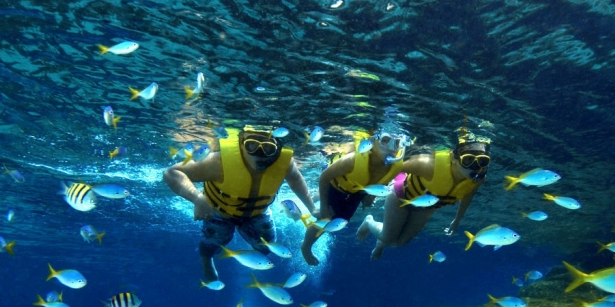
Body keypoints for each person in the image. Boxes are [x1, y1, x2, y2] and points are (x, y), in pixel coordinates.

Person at [163, 125, 317, 281]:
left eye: (268, 148)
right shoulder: (219, 161)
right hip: (219, 212)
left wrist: (312, 207)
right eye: (252, 145)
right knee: (212, 244)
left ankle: (250, 260)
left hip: (258, 213)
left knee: (267, 247)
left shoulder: (285, 164)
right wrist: (197, 198)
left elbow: (296, 179)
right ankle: (207, 260)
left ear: (277, 148)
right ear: (241, 143)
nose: (260, 154)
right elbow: (172, 172)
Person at [357, 128, 490, 260]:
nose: (476, 167)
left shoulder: (477, 180)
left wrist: (457, 220)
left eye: (482, 161)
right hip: (401, 195)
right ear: (455, 159)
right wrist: (372, 193)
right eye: (468, 160)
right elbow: (394, 168)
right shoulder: (429, 165)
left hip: (426, 207)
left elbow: (467, 196)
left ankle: (380, 245)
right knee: (388, 237)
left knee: (400, 243)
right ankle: (369, 222)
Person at [300, 124, 411, 265]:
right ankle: (306, 247)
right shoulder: (352, 160)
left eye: (397, 143)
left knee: (342, 220)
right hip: (335, 187)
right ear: (372, 141)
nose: (391, 147)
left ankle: (311, 227)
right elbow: (324, 178)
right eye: (385, 140)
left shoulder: (395, 166)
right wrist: (323, 207)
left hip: (356, 191)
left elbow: (381, 182)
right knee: (327, 219)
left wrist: (370, 196)